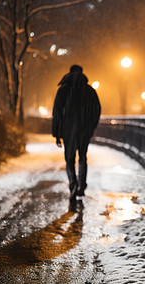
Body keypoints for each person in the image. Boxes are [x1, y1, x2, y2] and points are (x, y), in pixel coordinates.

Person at [52, 65, 101, 203]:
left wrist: (57, 133)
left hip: (68, 131)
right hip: (84, 130)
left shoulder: (63, 90)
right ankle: (82, 186)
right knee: (82, 158)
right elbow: (96, 110)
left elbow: (57, 112)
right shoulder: (89, 91)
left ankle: (73, 184)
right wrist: (91, 127)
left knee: (69, 159)